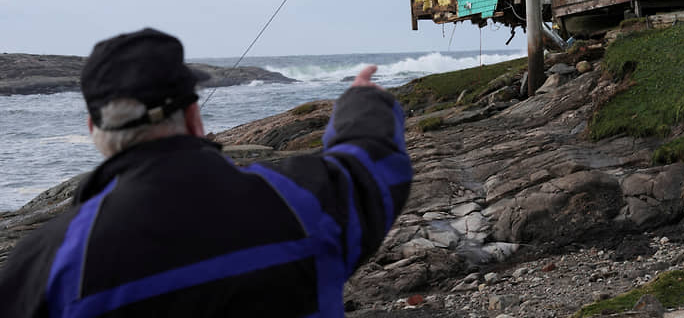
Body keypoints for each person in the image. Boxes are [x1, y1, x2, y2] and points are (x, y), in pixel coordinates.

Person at [0, 28, 413, 317]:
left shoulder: (45, 261)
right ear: (195, 117)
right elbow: (371, 163)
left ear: (95, 131)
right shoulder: (300, 200)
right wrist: (362, 99)